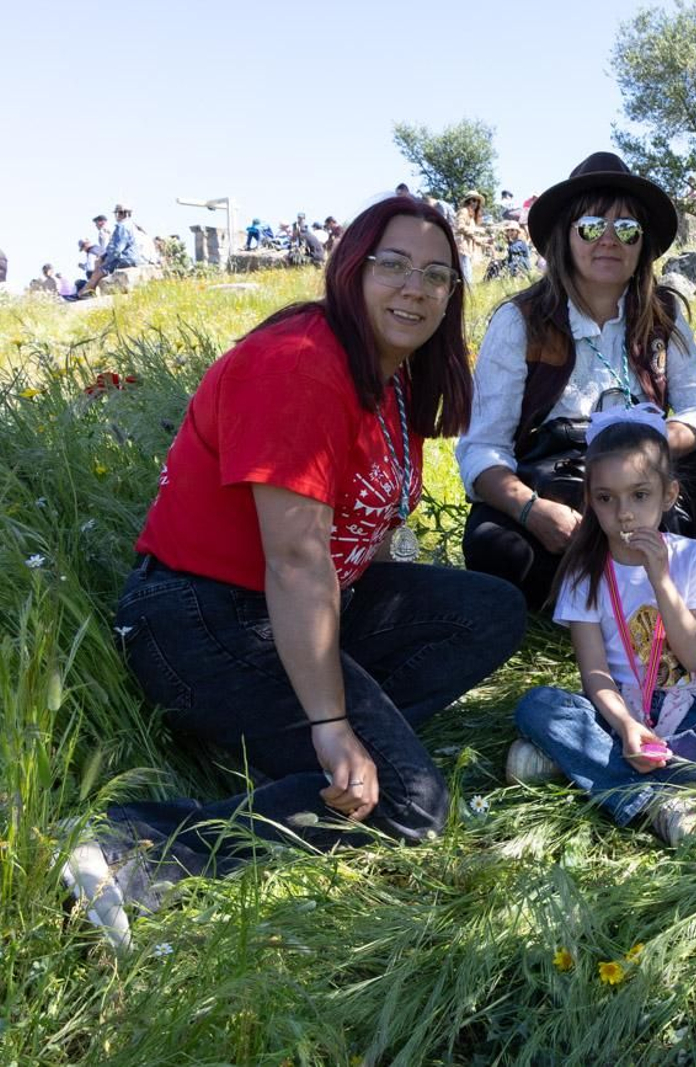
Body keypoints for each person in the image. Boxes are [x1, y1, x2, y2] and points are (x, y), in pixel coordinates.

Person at [59, 197, 527, 950]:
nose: (416, 288)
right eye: (394, 265)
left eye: (438, 275)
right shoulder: (302, 362)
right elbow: (296, 558)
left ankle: (306, 752)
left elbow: (367, 532)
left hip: (299, 606)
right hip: (201, 617)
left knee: (489, 609)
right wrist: (334, 724)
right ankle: (131, 846)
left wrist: (362, 681)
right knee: (412, 805)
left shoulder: (394, 376)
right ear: (351, 269)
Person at [455, 151, 696, 610]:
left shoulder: (662, 315)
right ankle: (616, 583)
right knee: (492, 543)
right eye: (592, 226)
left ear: (642, 244)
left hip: (643, 481)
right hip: (555, 483)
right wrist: (533, 511)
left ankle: (616, 581)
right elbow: (482, 446)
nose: (610, 240)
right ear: (565, 236)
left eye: (627, 228)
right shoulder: (520, 320)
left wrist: (649, 446)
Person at [508, 410, 696, 847]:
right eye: (606, 499)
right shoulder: (584, 571)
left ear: (668, 494)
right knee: (536, 705)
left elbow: (695, 658)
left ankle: (576, 764)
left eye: (639, 495)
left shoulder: (693, 557)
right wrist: (625, 727)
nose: (624, 514)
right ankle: (653, 799)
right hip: (617, 708)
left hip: (689, 705)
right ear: (589, 500)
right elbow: (595, 674)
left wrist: (660, 577)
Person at [80, 204, 143, 295]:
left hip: (126, 259)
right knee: (99, 263)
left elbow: (117, 249)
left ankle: (85, 292)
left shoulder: (122, 227)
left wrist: (106, 261)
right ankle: (90, 290)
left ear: (119, 214)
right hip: (135, 257)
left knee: (99, 270)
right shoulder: (132, 225)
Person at [454, 190, 491, 284]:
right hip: (462, 246)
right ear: (468, 201)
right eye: (473, 200)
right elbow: (460, 227)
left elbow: (472, 236)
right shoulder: (463, 211)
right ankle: (468, 291)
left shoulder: (471, 216)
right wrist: (477, 230)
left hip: (468, 248)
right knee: (466, 273)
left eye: (477, 201)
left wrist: (484, 241)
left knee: (466, 272)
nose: (475, 203)